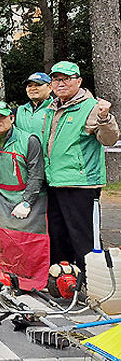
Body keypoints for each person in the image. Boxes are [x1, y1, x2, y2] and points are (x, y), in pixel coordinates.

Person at [43, 61, 120, 272]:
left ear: (79, 81)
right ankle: (64, 280)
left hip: (81, 184)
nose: (61, 83)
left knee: (84, 239)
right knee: (58, 237)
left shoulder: (92, 107)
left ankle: (92, 282)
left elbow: (109, 139)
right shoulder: (51, 108)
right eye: (56, 79)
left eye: (66, 79)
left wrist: (105, 117)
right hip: (54, 182)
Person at [0, 101, 49, 290]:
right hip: (4, 197)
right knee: (4, 239)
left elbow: (36, 174)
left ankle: (31, 277)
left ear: (12, 118)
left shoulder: (29, 140)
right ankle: (6, 276)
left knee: (31, 241)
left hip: (32, 198)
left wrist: (27, 202)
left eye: (2, 117)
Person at [0, 73, 53, 137]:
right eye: (29, 86)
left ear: (50, 87)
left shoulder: (56, 109)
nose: (33, 88)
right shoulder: (19, 111)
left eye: (38, 85)